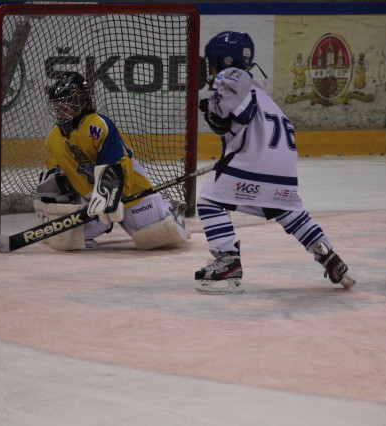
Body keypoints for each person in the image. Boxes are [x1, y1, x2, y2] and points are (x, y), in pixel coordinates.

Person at [194, 31, 356, 295]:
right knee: (286, 210)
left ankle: (228, 261)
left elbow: (232, 114)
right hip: (284, 173)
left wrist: (212, 108)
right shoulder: (260, 92)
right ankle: (329, 257)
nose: (210, 69)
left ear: (224, 61)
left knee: (209, 200)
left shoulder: (232, 75)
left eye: (212, 62)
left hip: (254, 164)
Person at [35, 71, 189, 251]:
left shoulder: (98, 125)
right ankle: (100, 222)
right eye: (58, 108)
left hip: (130, 192)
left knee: (161, 236)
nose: (61, 112)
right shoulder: (52, 138)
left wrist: (110, 198)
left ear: (83, 102)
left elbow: (117, 166)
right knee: (68, 239)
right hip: (91, 200)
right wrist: (54, 191)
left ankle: (166, 209)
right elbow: (57, 172)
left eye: (67, 106)